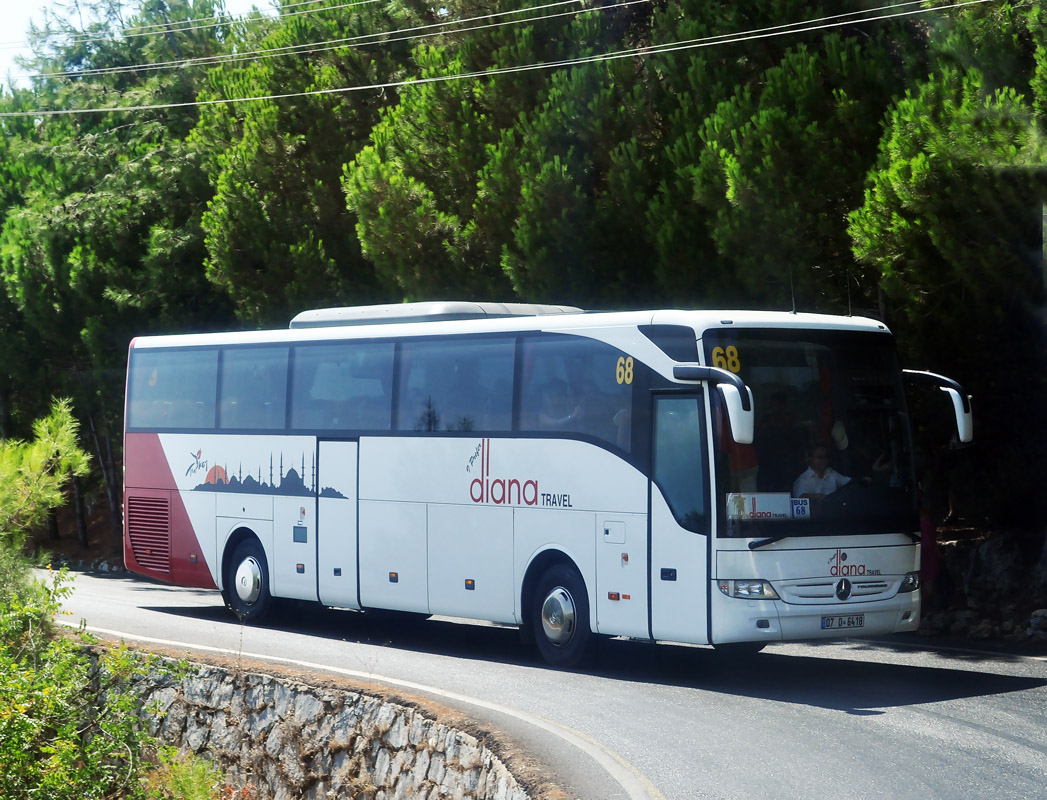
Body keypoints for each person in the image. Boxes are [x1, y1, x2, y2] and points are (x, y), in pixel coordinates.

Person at [792, 442, 862, 501]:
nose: (824, 460)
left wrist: (862, 481)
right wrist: (819, 496)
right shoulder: (803, 480)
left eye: (826, 456)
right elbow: (800, 499)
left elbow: (849, 483)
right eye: (820, 457)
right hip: (815, 517)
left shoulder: (832, 473)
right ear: (810, 459)